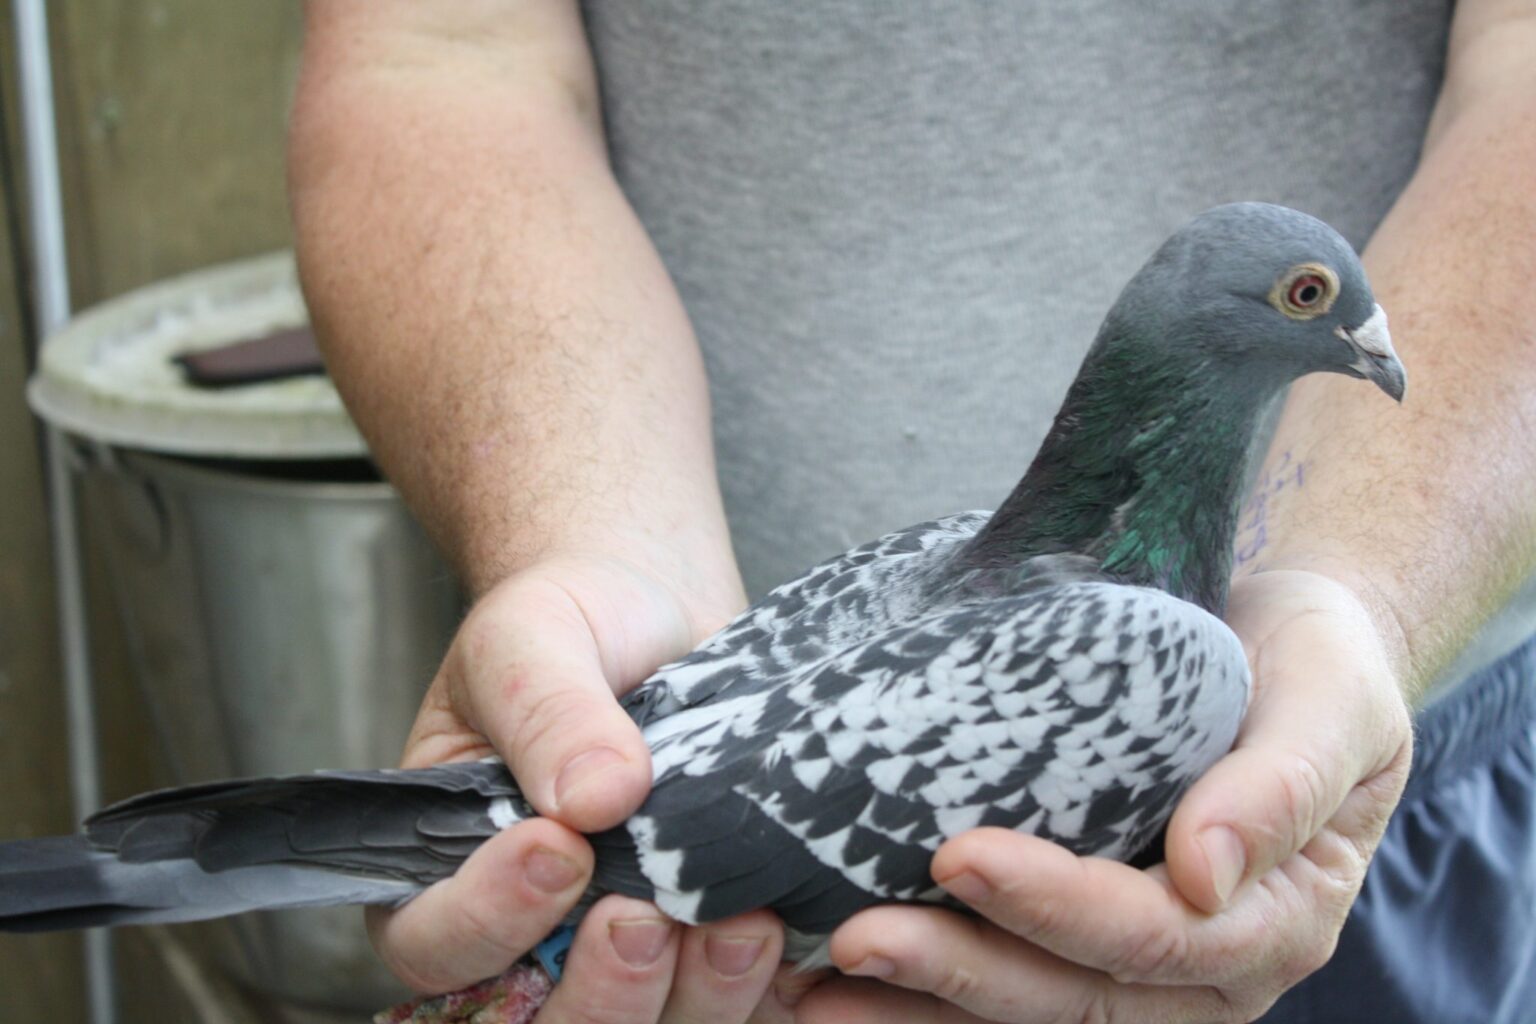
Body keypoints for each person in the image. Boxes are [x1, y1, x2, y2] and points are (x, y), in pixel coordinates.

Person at [288, 2, 1536, 1021]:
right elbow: (437, 48)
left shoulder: (1158, 652)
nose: (1368, 340)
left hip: (1365, 789)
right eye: (1314, 298)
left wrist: (1362, 606)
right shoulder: (1131, 643)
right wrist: (591, 550)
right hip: (685, 834)